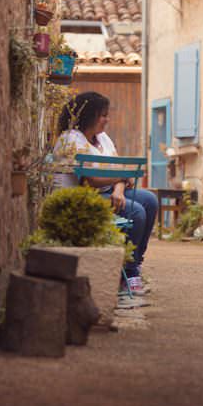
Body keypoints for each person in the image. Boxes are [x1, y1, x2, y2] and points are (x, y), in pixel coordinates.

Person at [53, 91, 158, 296]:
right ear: (88, 115)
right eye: (103, 115)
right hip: (82, 196)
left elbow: (119, 171)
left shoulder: (103, 139)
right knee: (136, 212)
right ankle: (128, 271)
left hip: (107, 191)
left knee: (150, 200)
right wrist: (121, 177)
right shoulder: (71, 139)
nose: (107, 120)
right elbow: (90, 180)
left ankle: (134, 262)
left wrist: (119, 188)